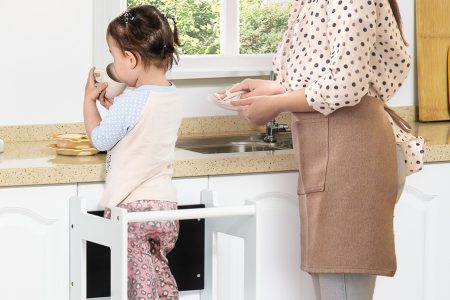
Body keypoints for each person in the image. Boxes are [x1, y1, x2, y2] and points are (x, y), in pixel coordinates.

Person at [230, 0, 425, 299]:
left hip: (354, 153)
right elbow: (326, 76)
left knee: (343, 284)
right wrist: (277, 89)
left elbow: (345, 85)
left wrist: (276, 104)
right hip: (332, 148)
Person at [83, 5, 182, 300]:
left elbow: (100, 140)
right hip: (166, 210)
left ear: (130, 58)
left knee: (138, 287)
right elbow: (143, 130)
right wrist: (115, 113)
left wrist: (89, 102)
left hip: (134, 211)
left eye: (114, 56)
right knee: (158, 273)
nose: (113, 64)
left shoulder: (131, 101)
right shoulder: (173, 95)